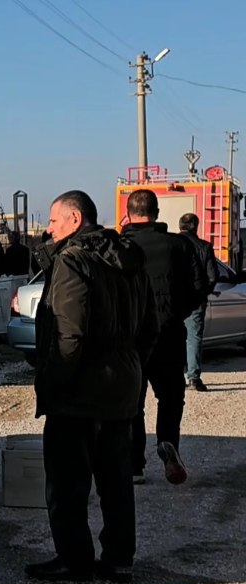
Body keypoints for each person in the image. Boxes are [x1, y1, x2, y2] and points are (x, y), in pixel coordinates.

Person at [26, 190, 157, 583]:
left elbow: (70, 336)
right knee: (116, 480)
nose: (48, 229)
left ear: (75, 219)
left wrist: (49, 383)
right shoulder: (131, 260)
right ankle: (119, 559)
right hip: (121, 389)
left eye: (53, 220)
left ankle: (74, 558)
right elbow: (151, 328)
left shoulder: (72, 262)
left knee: (67, 484)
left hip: (79, 394)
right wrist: (131, 367)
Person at [119, 190, 201, 485]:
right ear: (156, 212)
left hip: (131, 338)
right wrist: (177, 311)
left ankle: (134, 465)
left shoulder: (121, 246)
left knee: (133, 401)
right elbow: (198, 285)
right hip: (168, 331)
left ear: (129, 213)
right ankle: (168, 444)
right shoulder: (178, 245)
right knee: (170, 396)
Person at [177, 213, 218, 392]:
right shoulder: (205, 247)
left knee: (174, 338)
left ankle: (175, 376)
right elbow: (213, 276)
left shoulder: (172, 244)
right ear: (195, 226)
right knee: (193, 338)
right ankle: (193, 378)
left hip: (174, 300)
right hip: (196, 300)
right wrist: (204, 292)